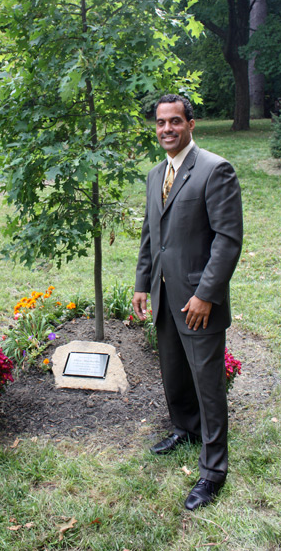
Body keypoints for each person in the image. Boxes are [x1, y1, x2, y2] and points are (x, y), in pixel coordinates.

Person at [132, 94, 243, 511]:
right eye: (161, 123)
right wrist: (142, 284)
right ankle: (185, 428)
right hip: (164, 296)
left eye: (175, 121)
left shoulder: (215, 171)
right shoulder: (155, 174)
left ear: (190, 124)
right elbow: (150, 236)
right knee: (174, 373)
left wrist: (205, 296)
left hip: (200, 302)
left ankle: (213, 470)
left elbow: (228, 241)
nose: (167, 129)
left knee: (208, 385)